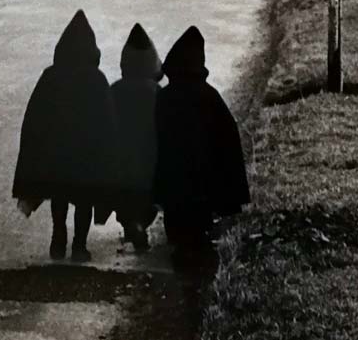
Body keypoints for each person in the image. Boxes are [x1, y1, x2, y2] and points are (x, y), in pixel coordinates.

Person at [12, 9, 118, 263]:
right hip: (86, 156)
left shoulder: (50, 76)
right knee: (84, 201)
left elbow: (34, 117)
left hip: (57, 155)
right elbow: (108, 121)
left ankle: (58, 239)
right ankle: (79, 246)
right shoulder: (96, 78)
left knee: (58, 196)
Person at [153, 26, 250, 263]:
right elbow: (228, 141)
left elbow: (152, 138)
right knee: (199, 232)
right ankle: (197, 267)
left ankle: (182, 257)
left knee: (177, 230)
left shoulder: (164, 98)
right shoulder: (210, 97)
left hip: (173, 182)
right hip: (203, 185)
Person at [105, 23, 162, 252]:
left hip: (122, 160)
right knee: (148, 200)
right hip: (149, 158)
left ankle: (131, 225)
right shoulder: (156, 91)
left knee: (124, 200)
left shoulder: (114, 90)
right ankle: (140, 225)